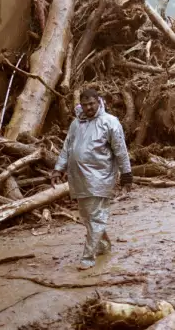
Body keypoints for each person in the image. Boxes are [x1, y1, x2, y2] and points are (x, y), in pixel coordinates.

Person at [50, 89, 132, 270]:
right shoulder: (76, 124)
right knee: (87, 217)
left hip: (100, 178)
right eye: (85, 104)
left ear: (99, 102)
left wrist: (127, 175)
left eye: (92, 104)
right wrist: (58, 169)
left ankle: (88, 258)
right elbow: (67, 147)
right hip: (79, 179)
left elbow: (120, 150)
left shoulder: (110, 122)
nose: (88, 108)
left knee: (95, 217)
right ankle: (103, 245)